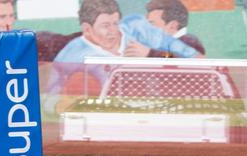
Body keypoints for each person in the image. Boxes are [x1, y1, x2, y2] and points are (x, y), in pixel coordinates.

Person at [43, 0, 201, 113]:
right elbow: (49, 98)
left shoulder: (137, 28)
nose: (114, 30)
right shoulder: (71, 54)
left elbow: (192, 56)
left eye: (116, 23)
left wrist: (150, 55)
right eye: (106, 25)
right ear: (87, 29)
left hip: (160, 106)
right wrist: (68, 105)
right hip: (113, 114)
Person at [124, 0, 206, 58]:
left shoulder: (190, 42)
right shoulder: (158, 44)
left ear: (172, 26)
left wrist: (149, 53)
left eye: (152, 23)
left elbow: (178, 58)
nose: (147, 28)